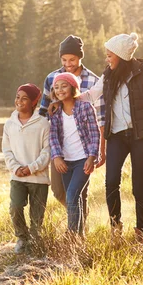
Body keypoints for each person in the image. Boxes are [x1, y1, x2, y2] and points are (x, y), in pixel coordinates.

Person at [78, 33, 143, 240]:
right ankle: (116, 225)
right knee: (111, 181)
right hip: (116, 136)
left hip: (140, 136)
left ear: (122, 56)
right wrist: (67, 98)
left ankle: (141, 230)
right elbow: (91, 95)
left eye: (110, 55)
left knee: (139, 185)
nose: (107, 59)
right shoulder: (108, 76)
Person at [39, 35, 105, 217]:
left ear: (80, 57)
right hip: (60, 147)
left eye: (72, 59)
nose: (68, 63)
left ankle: (76, 233)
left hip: (84, 148)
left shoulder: (93, 80)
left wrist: (100, 151)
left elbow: (101, 118)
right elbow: (44, 112)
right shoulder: (52, 78)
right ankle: (78, 218)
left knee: (78, 193)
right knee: (59, 191)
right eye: (64, 59)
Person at [48, 72, 100, 237]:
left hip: (83, 160)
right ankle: (79, 236)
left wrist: (92, 157)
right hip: (66, 162)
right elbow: (53, 137)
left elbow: (95, 134)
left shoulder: (85, 107)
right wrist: (56, 157)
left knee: (72, 195)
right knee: (73, 197)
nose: (60, 90)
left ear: (73, 87)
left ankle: (71, 236)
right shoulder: (55, 112)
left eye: (64, 86)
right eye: (56, 87)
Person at [2, 83, 51, 254]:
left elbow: (47, 152)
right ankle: (22, 238)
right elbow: (6, 150)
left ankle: (36, 242)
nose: (19, 101)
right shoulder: (9, 124)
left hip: (38, 178)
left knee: (37, 215)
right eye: (17, 97)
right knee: (15, 207)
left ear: (33, 102)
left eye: (24, 99)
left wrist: (31, 168)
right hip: (17, 177)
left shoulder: (43, 124)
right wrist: (16, 168)